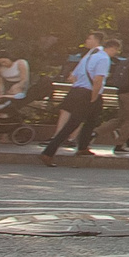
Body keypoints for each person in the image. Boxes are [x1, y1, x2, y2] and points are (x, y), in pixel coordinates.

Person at [40, 33, 115, 162]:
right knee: (73, 123)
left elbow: (72, 77)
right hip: (89, 93)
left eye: (89, 38)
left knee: (92, 119)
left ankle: (83, 146)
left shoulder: (89, 55)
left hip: (78, 91)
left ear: (97, 41)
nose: (86, 40)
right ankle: (48, 152)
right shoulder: (102, 57)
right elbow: (98, 79)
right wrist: (93, 97)